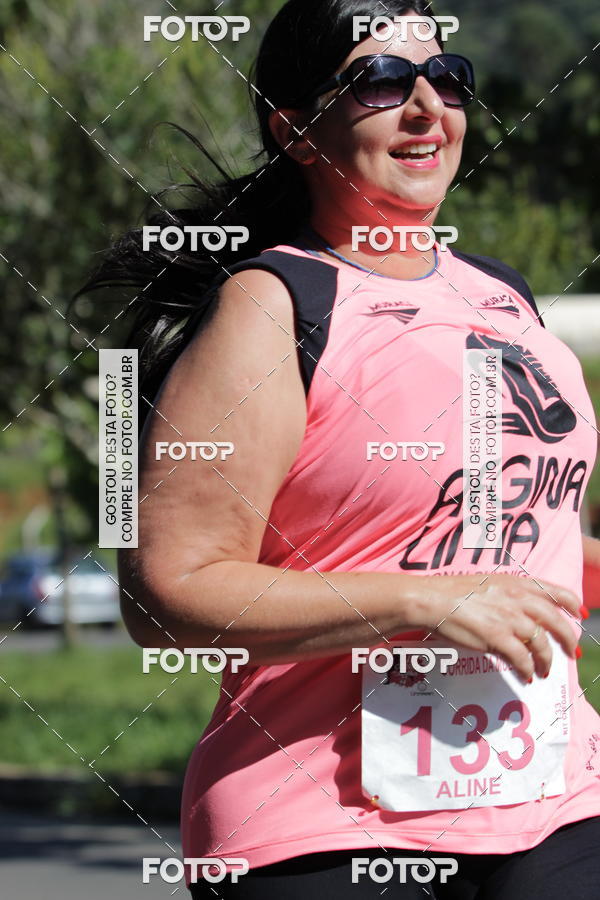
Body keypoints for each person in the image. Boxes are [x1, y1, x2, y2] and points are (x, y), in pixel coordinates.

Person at [81, 1, 600, 897]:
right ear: (295, 130)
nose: (427, 105)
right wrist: (420, 603)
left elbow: (519, 540)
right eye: (381, 81)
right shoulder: (275, 304)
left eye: (447, 78)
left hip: (551, 801)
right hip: (324, 823)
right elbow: (167, 590)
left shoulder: (506, 299)